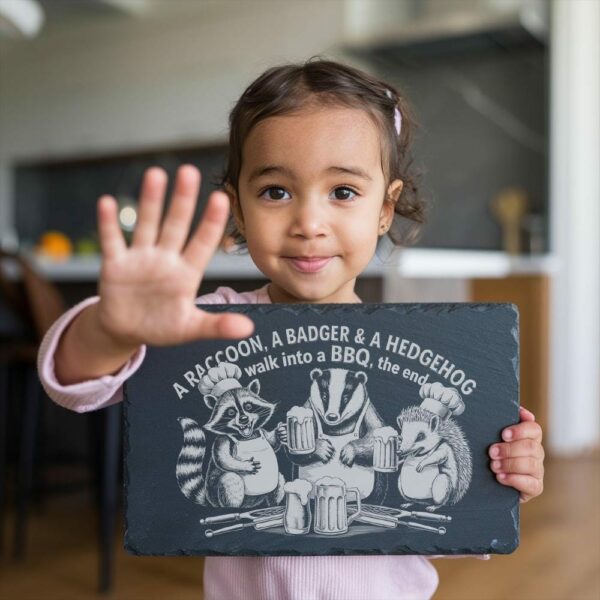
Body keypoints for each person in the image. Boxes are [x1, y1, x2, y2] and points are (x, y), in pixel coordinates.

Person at [37, 58, 545, 600]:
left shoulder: (419, 346)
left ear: (384, 209)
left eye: (343, 192)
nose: (308, 222)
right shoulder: (211, 322)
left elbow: (442, 522)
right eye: (276, 192)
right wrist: (110, 332)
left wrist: (506, 475)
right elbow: (72, 382)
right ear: (238, 209)